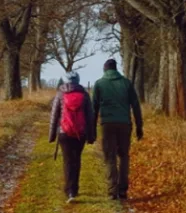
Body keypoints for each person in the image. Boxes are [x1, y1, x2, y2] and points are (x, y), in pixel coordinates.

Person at [92, 59, 143, 200]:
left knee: (110, 157)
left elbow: (94, 108)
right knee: (124, 156)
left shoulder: (99, 84)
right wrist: (139, 126)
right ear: (116, 69)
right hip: (124, 124)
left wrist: (92, 130)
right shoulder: (126, 83)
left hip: (107, 124)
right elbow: (136, 106)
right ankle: (123, 190)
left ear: (105, 69)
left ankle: (112, 190)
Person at [48, 70, 96, 203]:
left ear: (64, 81)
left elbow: (54, 116)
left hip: (64, 133)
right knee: (77, 159)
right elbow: (90, 117)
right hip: (80, 133)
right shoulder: (85, 95)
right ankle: (74, 189)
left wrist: (51, 135)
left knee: (68, 161)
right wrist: (91, 135)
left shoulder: (59, 95)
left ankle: (69, 191)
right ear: (78, 81)